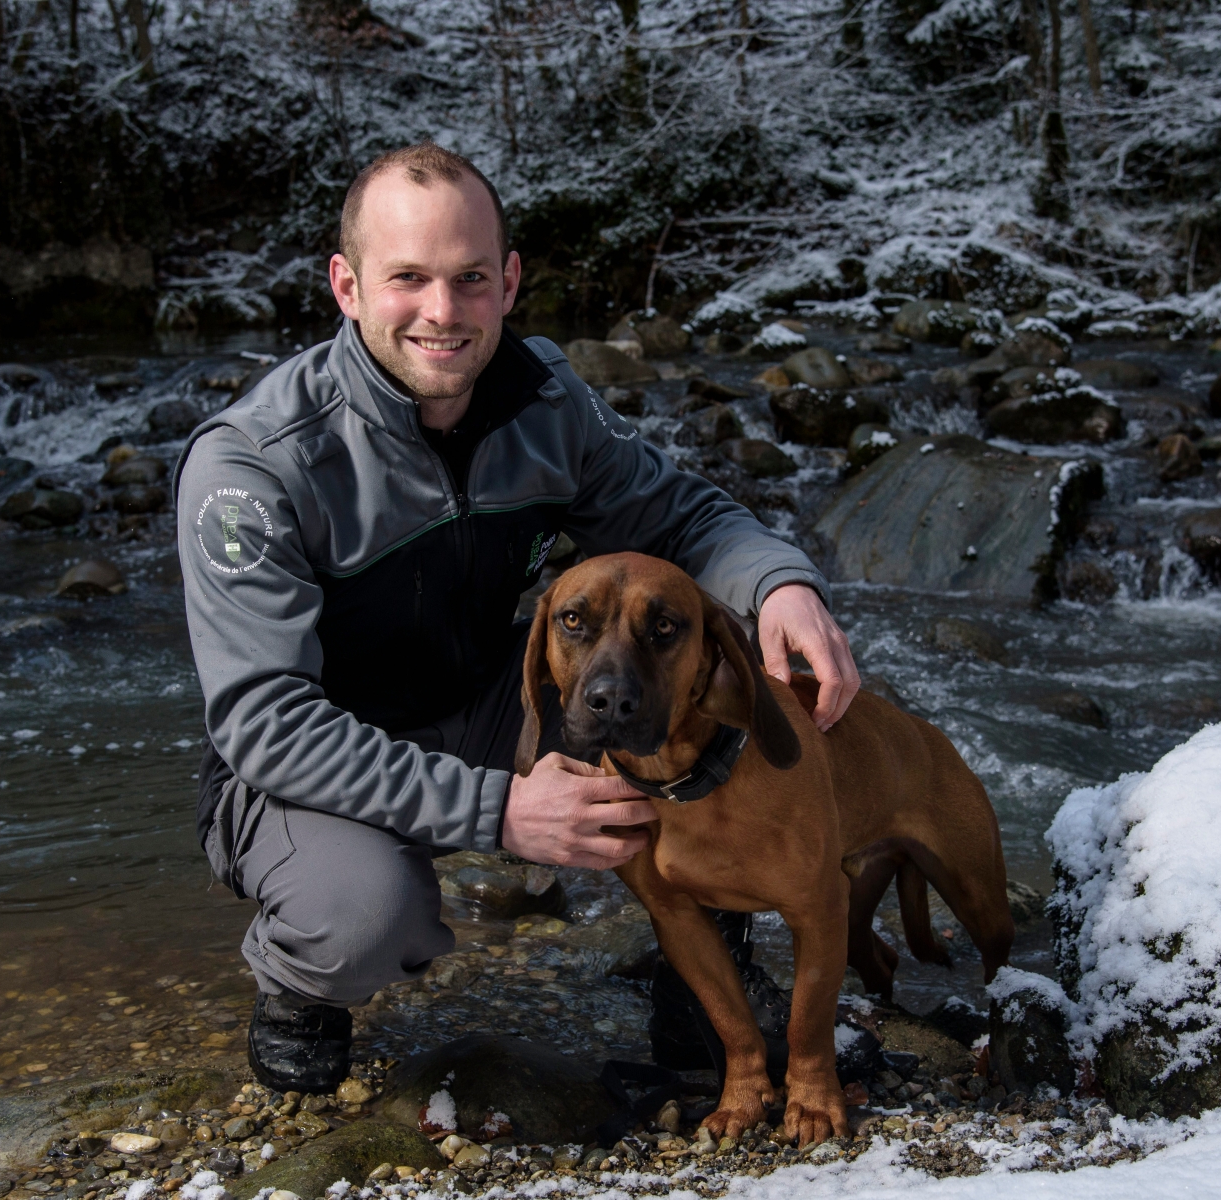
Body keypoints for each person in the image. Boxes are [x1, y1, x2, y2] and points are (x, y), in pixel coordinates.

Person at [176, 142, 859, 1093]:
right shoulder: (253, 467)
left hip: (495, 703)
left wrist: (781, 584)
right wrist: (503, 812)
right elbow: (266, 724)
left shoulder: (545, 399)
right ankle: (300, 982)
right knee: (364, 917)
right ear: (346, 285)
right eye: (406, 278)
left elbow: (686, 517)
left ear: (508, 281)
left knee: (700, 705)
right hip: (310, 754)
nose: (442, 313)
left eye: (468, 280)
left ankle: (706, 947)